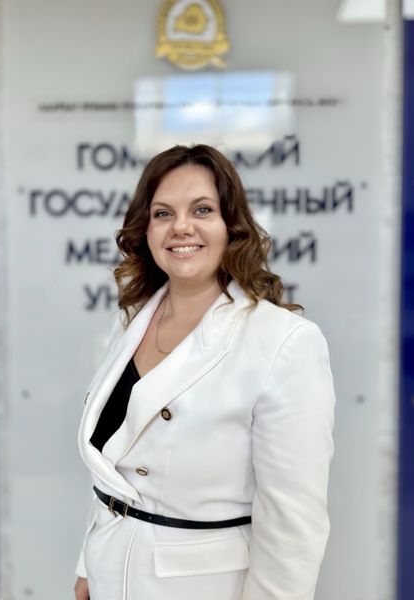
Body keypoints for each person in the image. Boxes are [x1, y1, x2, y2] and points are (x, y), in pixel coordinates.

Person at [74, 144, 335, 600]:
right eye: (162, 213)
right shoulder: (130, 321)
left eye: (202, 210)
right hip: (110, 573)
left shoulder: (285, 341)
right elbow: (116, 469)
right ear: (145, 229)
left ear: (231, 226)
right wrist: (88, 564)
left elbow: (293, 523)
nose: (181, 227)